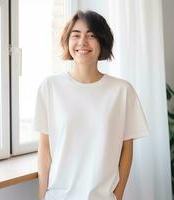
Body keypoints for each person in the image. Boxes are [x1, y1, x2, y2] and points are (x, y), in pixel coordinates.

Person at [33, 10, 149, 200]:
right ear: (67, 41)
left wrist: (117, 196)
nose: (82, 42)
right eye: (76, 35)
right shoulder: (50, 87)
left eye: (91, 36)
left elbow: (126, 150)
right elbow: (44, 149)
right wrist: (41, 196)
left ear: (102, 42)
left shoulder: (121, 90)